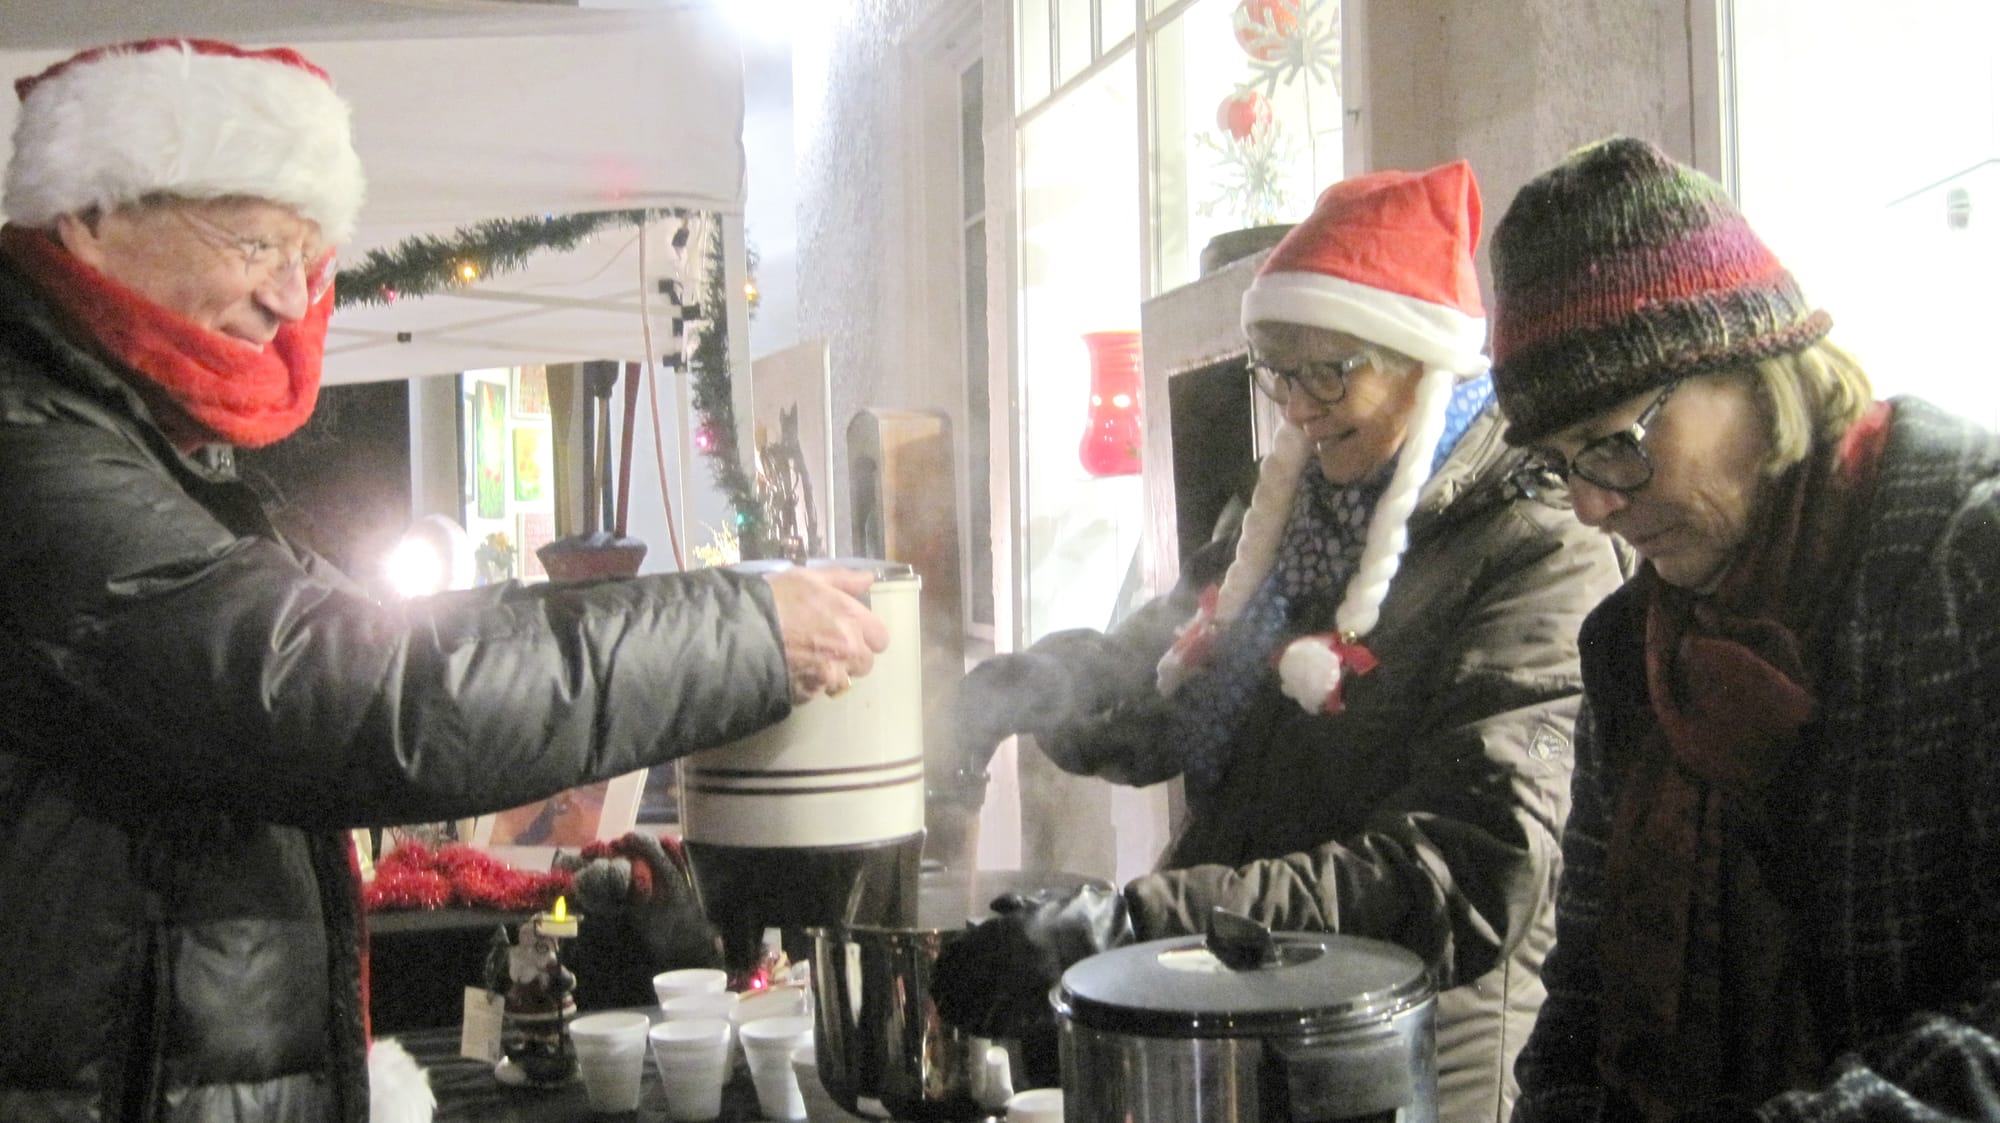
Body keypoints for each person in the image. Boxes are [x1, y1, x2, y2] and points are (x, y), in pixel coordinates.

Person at [0, 38, 888, 1122]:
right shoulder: (31, 446)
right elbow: (356, 690)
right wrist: (738, 635)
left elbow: (383, 638)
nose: (288, 298)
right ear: (90, 213)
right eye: (256, 243)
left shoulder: (134, 442)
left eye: (310, 259)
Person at [932, 160, 1628, 1121]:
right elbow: (1159, 674)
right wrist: (1027, 686)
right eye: (1279, 373)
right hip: (1234, 1027)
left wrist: (1138, 925)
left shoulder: (1536, 551)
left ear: (1424, 359)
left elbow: (1471, 868)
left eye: (1328, 371)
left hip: (1401, 1066)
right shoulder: (1288, 515)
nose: (1296, 405)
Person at [1488, 136, 2000, 1123]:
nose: (1591, 507)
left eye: (1613, 442)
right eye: (1557, 464)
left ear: (1756, 367)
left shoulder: (1966, 567)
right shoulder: (1627, 648)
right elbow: (1583, 993)